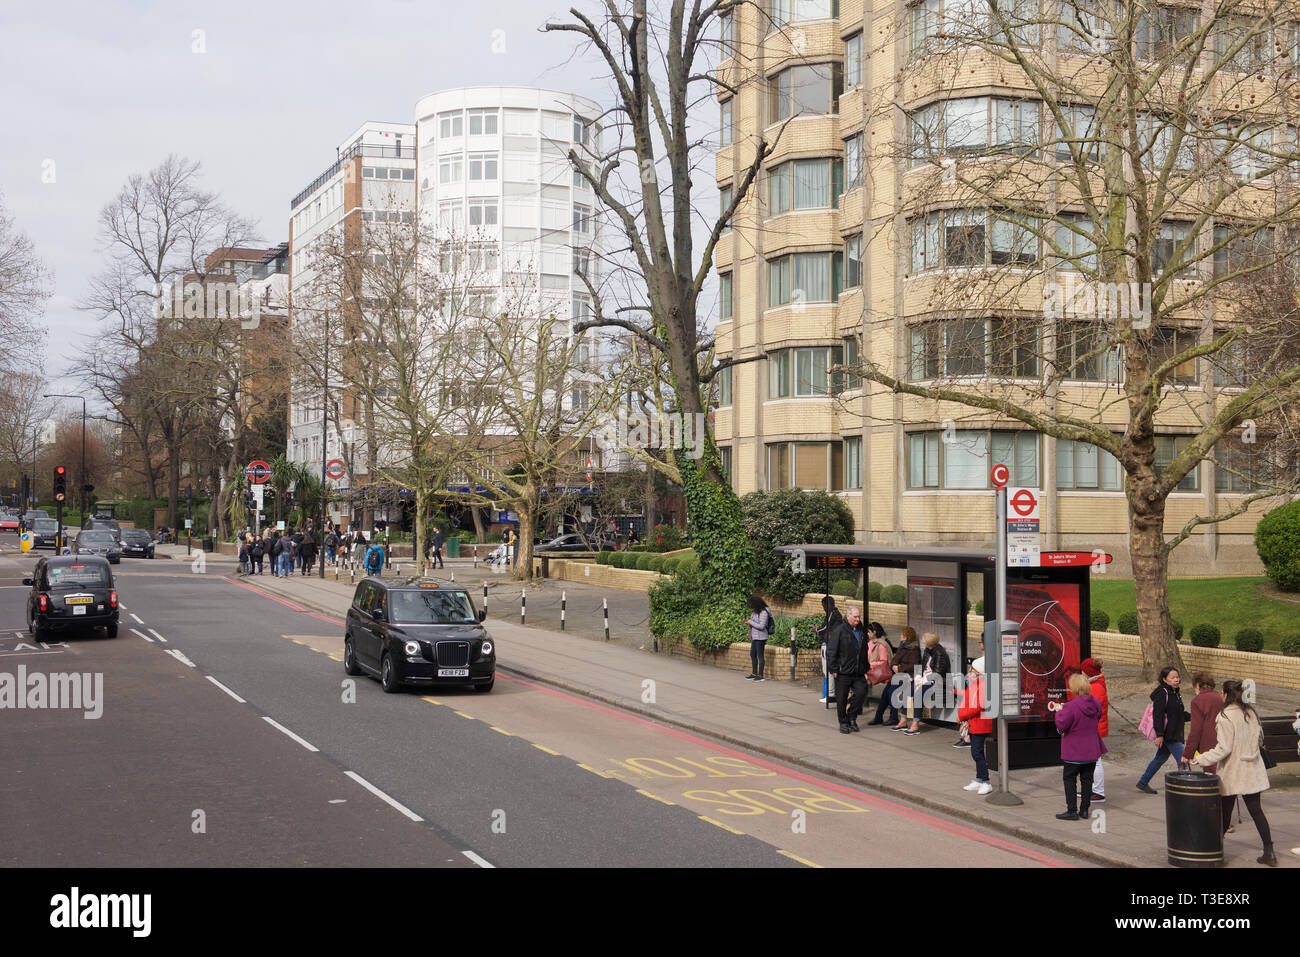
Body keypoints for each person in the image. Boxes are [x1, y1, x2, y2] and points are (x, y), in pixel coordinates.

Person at [1190, 679, 1277, 866]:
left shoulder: (1225, 716)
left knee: (1224, 813)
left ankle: (1215, 854)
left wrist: (1201, 758)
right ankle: (1269, 851)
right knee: (1256, 811)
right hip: (1252, 767)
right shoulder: (1251, 713)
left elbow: (1224, 749)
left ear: (1225, 695)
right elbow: (1259, 738)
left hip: (1233, 769)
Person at [1054, 672, 1106, 821]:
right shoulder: (1096, 703)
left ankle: (1072, 811)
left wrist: (1058, 712)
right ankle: (1084, 809)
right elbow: (1097, 717)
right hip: (1091, 749)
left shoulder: (1070, 707)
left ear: (1074, 689)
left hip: (1074, 750)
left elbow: (1062, 726)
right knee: (1087, 780)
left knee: (1069, 779)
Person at [1137, 666, 1185, 794]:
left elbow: (1177, 713)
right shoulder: (1162, 693)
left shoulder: (1175, 692)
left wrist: (1195, 716)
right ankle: (1186, 788)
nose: (1176, 680)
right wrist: (1159, 735)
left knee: (1160, 758)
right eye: (1173, 678)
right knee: (1184, 760)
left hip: (1173, 732)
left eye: (1177, 677)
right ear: (1165, 679)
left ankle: (1143, 782)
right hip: (1169, 734)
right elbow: (1157, 715)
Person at [827, 606, 869, 734]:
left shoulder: (861, 630)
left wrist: (865, 666)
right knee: (842, 698)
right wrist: (833, 668)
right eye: (855, 617)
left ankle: (852, 717)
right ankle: (843, 722)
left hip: (858, 670)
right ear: (848, 616)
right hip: (843, 670)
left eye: (859, 617)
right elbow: (832, 650)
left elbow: (864, 649)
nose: (858, 619)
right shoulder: (840, 630)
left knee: (861, 693)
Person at [902, 632, 950, 736]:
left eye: (924, 641)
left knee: (919, 694)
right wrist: (918, 676)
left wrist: (925, 680)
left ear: (929, 642)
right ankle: (903, 720)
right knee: (908, 691)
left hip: (936, 681)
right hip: (925, 679)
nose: (923, 643)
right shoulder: (927, 651)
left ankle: (915, 724)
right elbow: (923, 666)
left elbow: (938, 673)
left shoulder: (939, 653)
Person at [958, 656, 994, 795]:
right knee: (976, 752)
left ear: (979, 671)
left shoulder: (984, 685)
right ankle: (979, 779)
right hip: (973, 722)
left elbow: (979, 705)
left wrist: (962, 715)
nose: (970, 670)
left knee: (976, 752)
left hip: (981, 723)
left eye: (972, 668)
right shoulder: (975, 683)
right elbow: (967, 700)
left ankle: (986, 781)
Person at [873, 626, 921, 727]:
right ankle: (878, 716)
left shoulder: (914, 649)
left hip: (907, 675)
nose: (900, 636)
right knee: (886, 692)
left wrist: (899, 668)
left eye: (902, 634)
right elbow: (895, 660)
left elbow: (913, 665)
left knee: (892, 692)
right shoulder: (902, 646)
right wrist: (894, 666)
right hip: (898, 674)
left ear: (907, 636)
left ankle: (893, 717)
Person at [1080, 658, 1110, 803]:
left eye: (1082, 670)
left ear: (1088, 672)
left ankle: (1098, 792)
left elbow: (1090, 710)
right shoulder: (1095, 685)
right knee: (1090, 760)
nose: (1081, 672)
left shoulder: (1095, 688)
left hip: (1093, 728)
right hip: (1094, 727)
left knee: (1095, 760)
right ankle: (1091, 789)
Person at [1183, 672, 1224, 776]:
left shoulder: (1197, 701)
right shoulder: (1220, 697)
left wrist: (1187, 753)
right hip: (1223, 739)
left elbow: (1196, 730)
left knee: (1211, 775)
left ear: (1197, 685)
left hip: (1208, 743)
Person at [814, 596, 843, 704]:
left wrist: (817, 629)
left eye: (824, 605)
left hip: (829, 645)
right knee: (827, 671)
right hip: (828, 644)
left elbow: (826, 627)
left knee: (829, 671)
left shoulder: (832, 613)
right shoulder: (833, 613)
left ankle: (830, 695)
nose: (823, 608)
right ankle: (829, 694)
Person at [746, 596, 772, 681]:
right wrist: (748, 622)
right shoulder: (755, 611)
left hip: (761, 637)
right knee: (752, 654)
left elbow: (761, 626)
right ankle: (754, 673)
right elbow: (753, 622)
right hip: (755, 636)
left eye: (753, 606)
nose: (752, 608)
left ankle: (760, 675)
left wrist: (751, 622)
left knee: (760, 655)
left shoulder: (764, 612)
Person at [865, 622, 892, 705]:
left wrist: (870, 665)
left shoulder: (882, 645)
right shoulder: (870, 643)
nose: (867, 634)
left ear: (874, 632)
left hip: (877, 671)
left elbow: (883, 661)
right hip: (870, 669)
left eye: (869, 632)